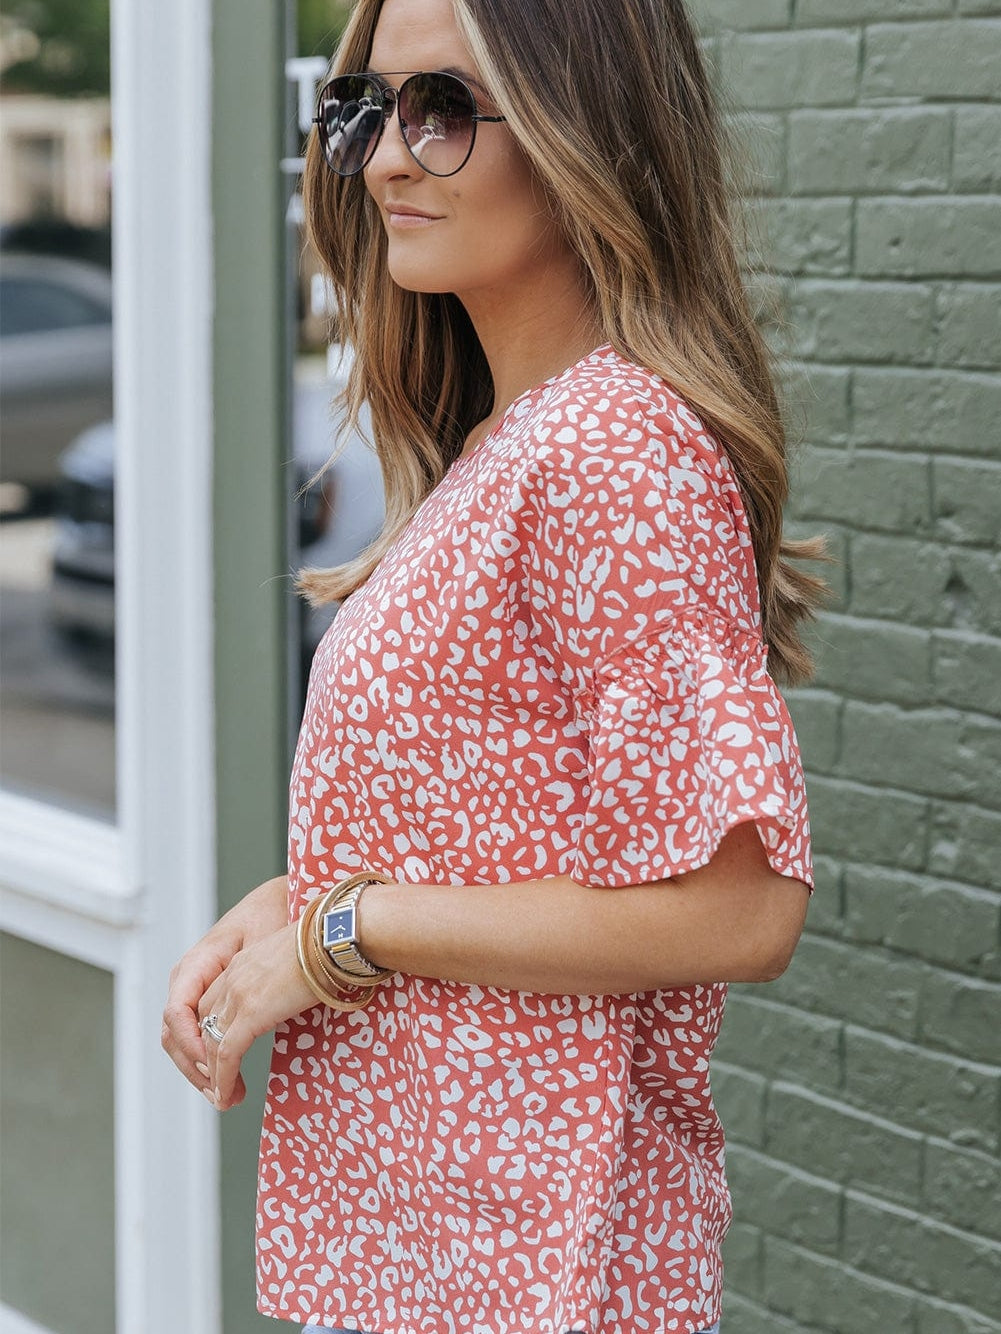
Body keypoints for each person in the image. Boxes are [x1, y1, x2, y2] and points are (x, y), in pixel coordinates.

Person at [162, 0, 826, 1330]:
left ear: (588, 128)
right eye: (365, 110)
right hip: (448, 1252)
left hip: (539, 1273)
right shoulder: (508, 445)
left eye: (445, 110)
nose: (389, 157)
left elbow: (738, 906)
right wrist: (303, 896)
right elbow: (503, 822)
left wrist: (344, 931)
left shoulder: (614, 449)